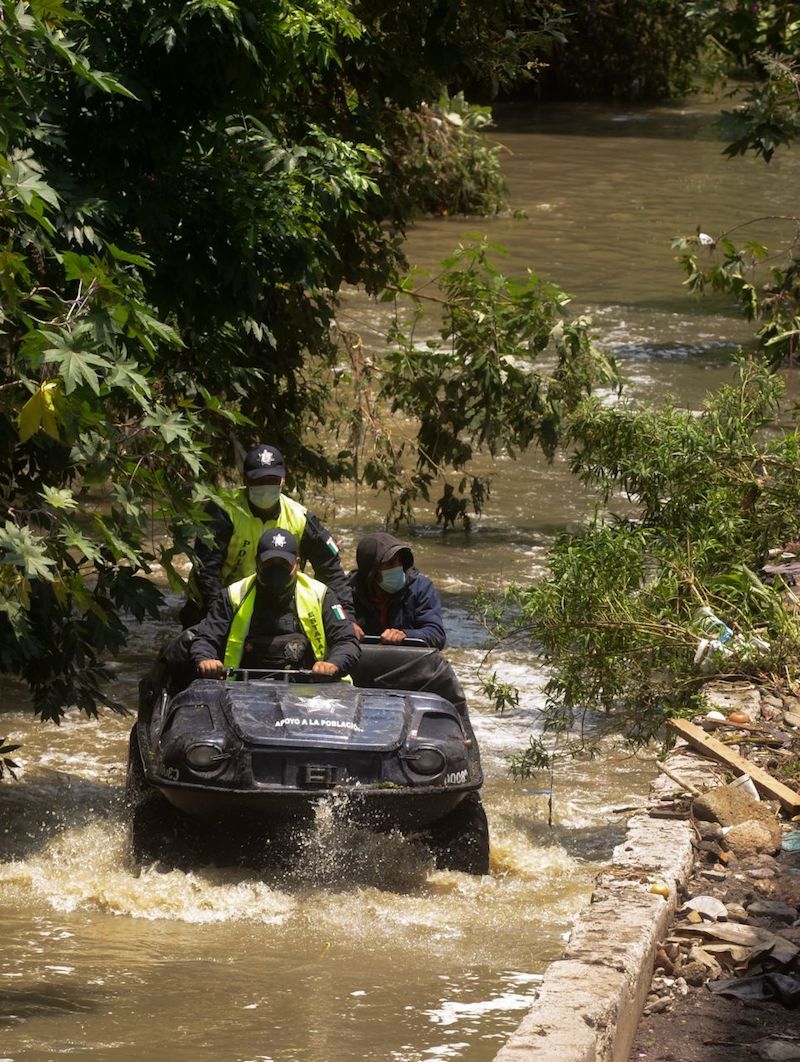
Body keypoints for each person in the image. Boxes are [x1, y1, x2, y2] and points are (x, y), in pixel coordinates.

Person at [181, 443, 353, 627]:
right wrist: (220, 618)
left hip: (274, 607)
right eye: (258, 481)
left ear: (283, 481)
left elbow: (331, 569)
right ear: (245, 480)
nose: (265, 487)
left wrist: (347, 618)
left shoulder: (299, 517)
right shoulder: (223, 511)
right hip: (216, 606)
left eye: (272, 480)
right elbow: (206, 571)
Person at [189, 528, 360, 679]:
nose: (276, 569)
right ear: (257, 562)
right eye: (270, 563)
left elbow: (347, 641)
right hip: (243, 692)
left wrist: (333, 664)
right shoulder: (232, 595)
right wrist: (206, 659)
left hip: (309, 692)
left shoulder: (321, 595)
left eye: (283, 564)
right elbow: (205, 637)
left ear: (297, 563)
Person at [347, 532, 446, 649]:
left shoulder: (420, 587)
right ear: (371, 572)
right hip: (362, 657)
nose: (398, 568)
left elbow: (436, 634)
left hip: (407, 657)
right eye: (390, 564)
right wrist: (346, 627)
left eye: (400, 561)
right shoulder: (347, 591)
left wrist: (405, 635)